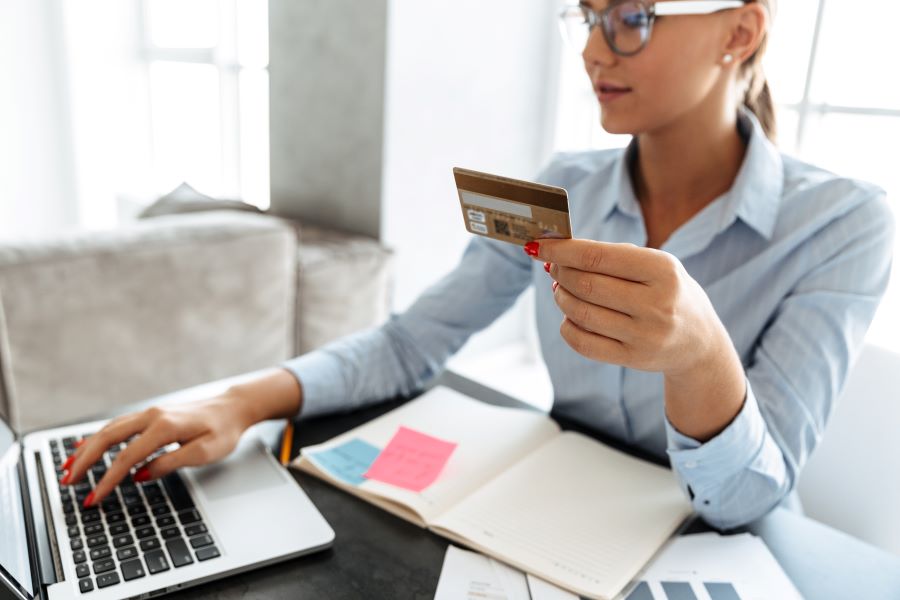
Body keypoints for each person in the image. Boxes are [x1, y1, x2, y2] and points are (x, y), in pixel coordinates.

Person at [62, 0, 892, 529]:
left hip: (716, 546)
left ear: (740, 31)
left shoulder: (844, 223)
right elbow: (408, 344)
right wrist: (238, 399)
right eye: (588, 14)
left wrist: (701, 353)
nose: (595, 52)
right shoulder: (560, 186)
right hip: (558, 518)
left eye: (632, 17)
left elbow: (751, 497)